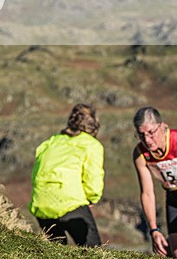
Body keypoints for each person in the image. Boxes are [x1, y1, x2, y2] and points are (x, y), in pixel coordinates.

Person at [29, 103, 104, 247]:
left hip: (41, 204)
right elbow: (93, 177)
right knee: (93, 251)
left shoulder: (51, 142)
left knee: (55, 251)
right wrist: (92, 197)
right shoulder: (92, 145)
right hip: (71, 204)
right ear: (94, 126)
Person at [133, 106, 177, 257]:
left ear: (162, 126)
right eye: (141, 135)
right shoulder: (141, 154)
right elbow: (147, 193)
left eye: (151, 133)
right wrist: (154, 230)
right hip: (173, 199)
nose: (147, 140)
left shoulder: (175, 141)